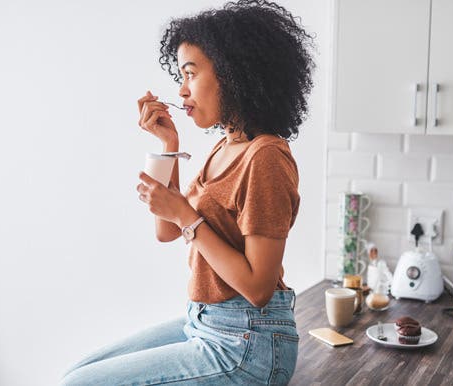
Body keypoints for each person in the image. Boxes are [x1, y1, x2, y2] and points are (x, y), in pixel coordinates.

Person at [61, 0, 315, 384]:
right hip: (207, 323)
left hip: (250, 344)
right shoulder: (224, 146)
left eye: (190, 74)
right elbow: (166, 231)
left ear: (233, 74)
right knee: (78, 373)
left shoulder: (265, 157)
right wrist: (169, 144)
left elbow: (259, 288)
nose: (181, 90)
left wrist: (185, 215)